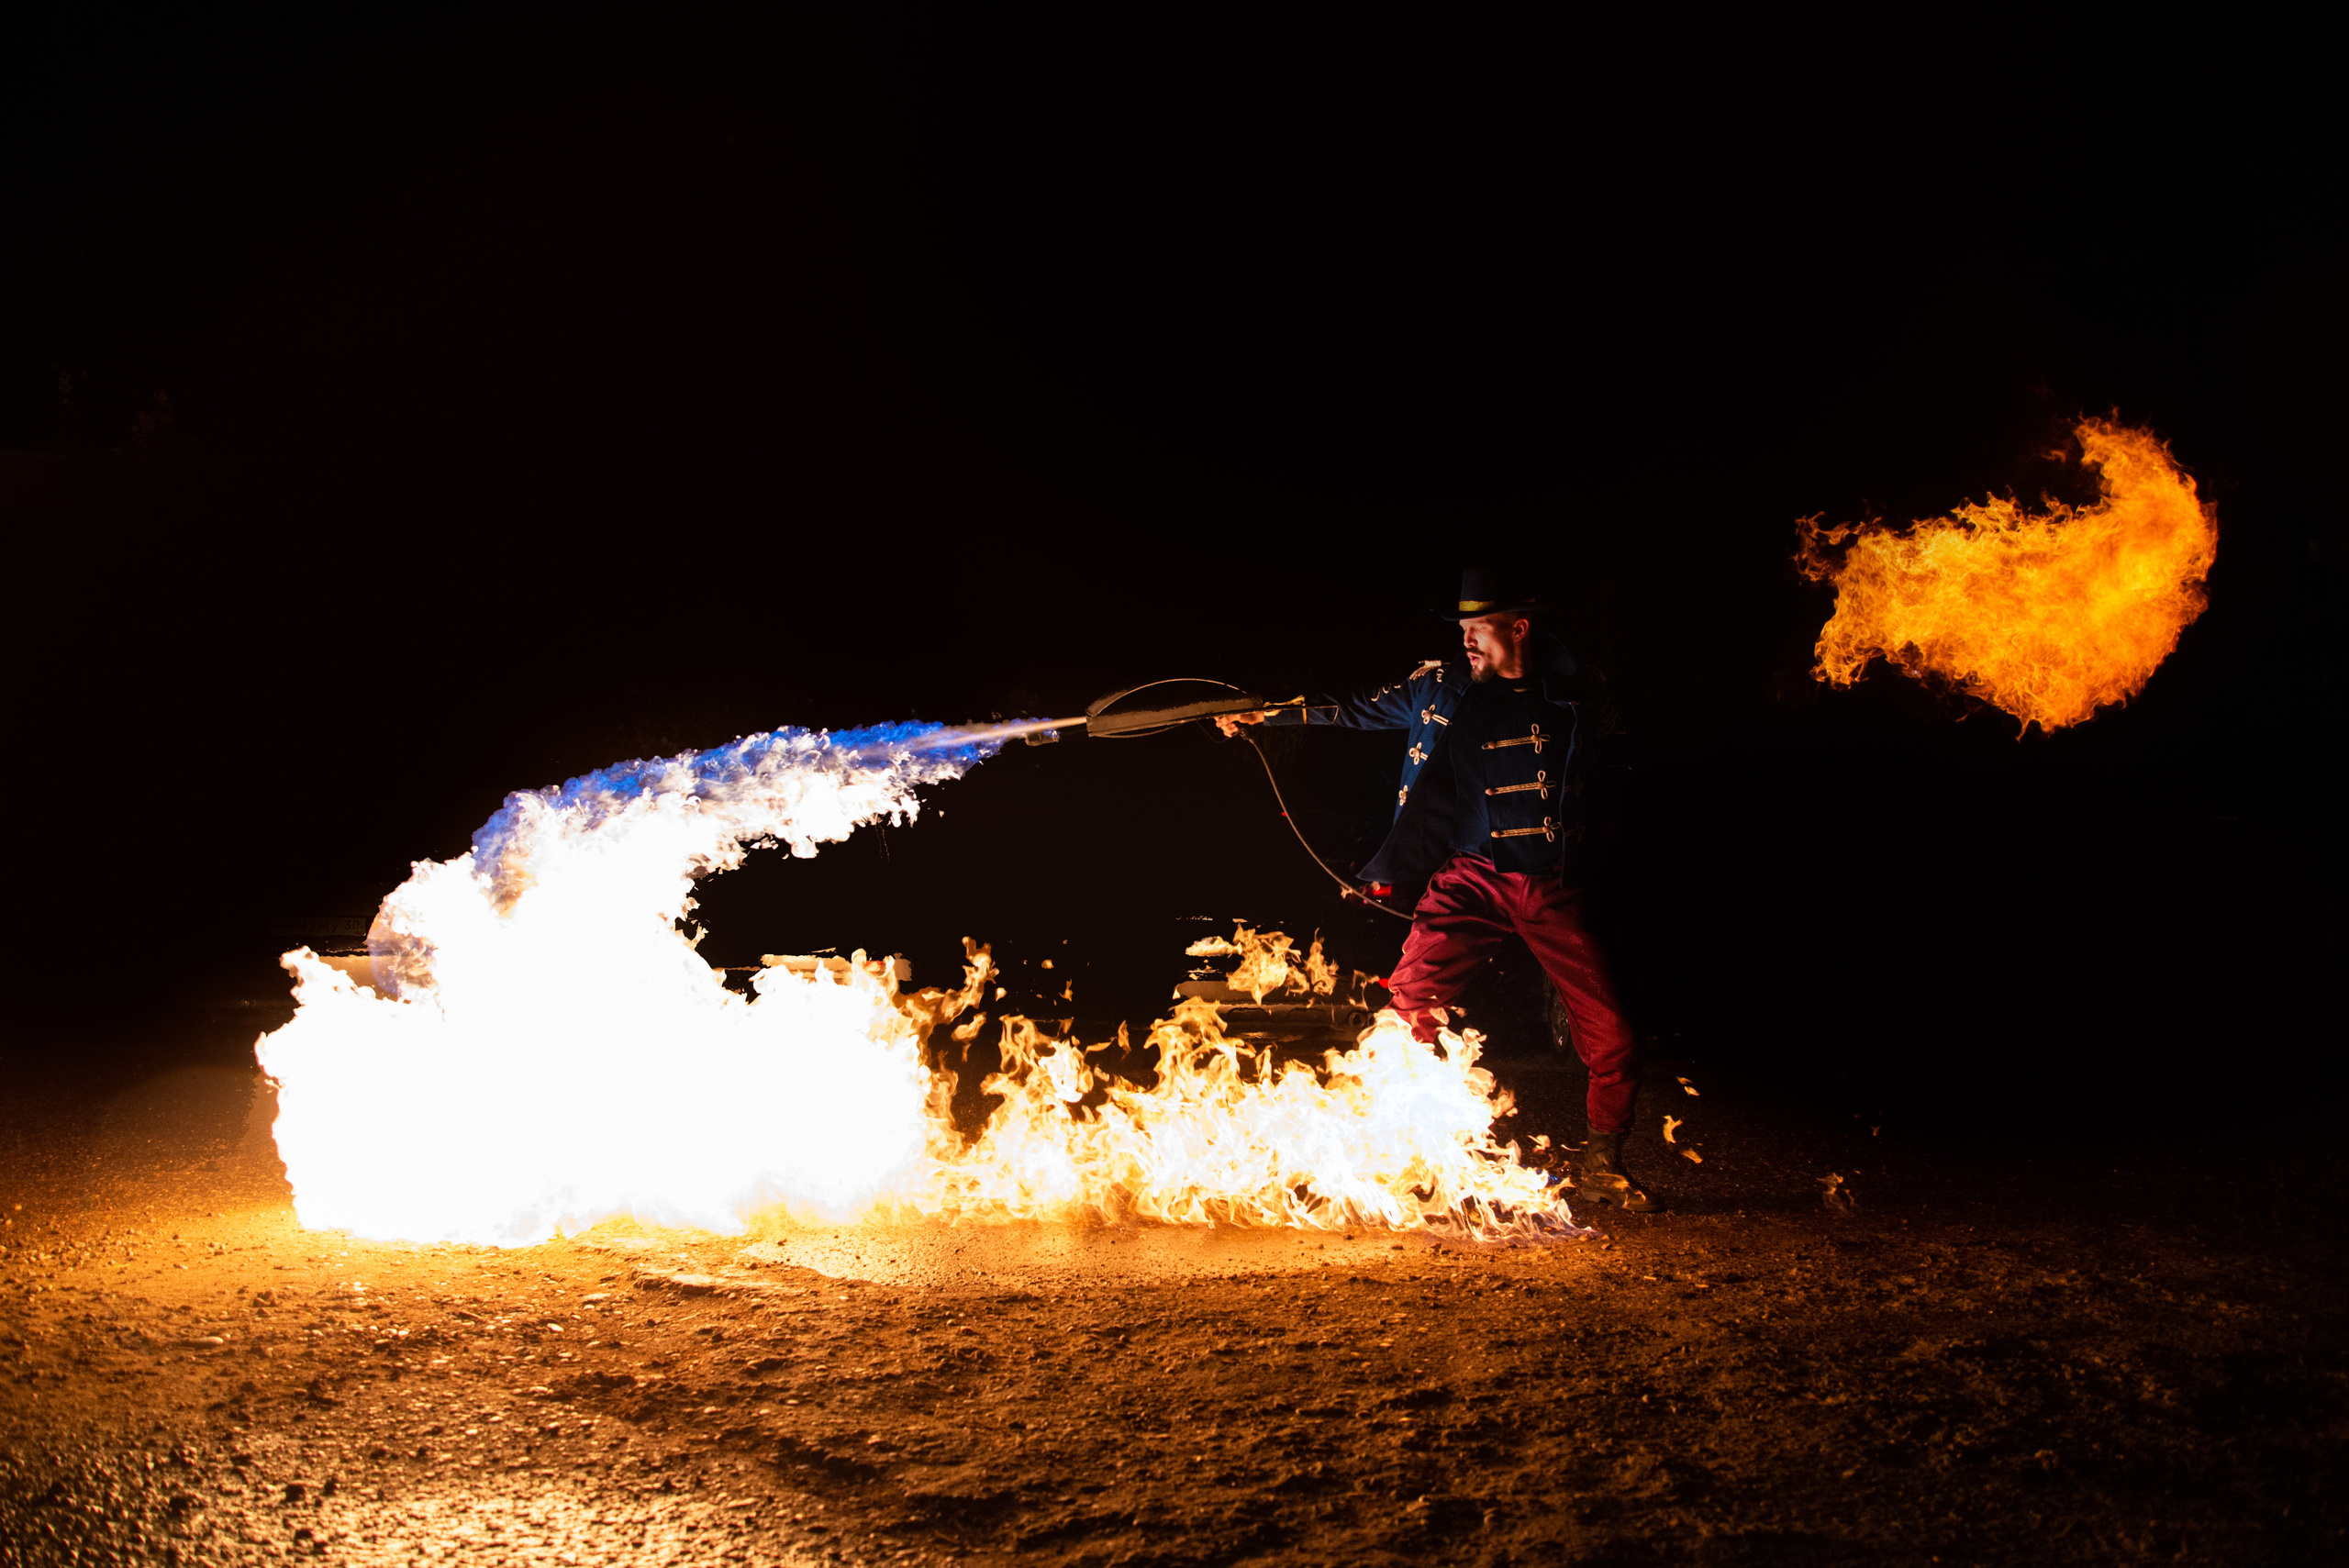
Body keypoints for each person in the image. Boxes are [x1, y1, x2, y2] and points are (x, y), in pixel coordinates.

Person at [1219, 568, 1653, 1210]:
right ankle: (1392, 1155)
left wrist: (1598, 866)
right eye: (1463, 629)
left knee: (1613, 1034)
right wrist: (1267, 711)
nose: (1467, 640)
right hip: (1470, 877)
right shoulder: (1439, 686)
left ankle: (1603, 1163)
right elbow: (1355, 706)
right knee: (1408, 1007)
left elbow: (1619, 775)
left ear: (1519, 626)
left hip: (1550, 886)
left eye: (1477, 627)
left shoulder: (1581, 693)